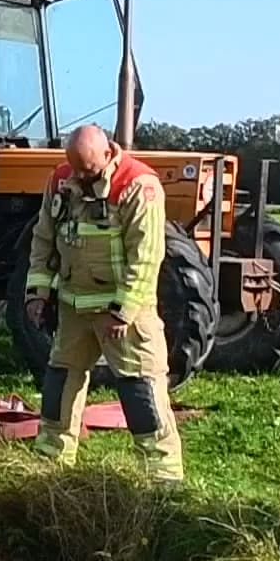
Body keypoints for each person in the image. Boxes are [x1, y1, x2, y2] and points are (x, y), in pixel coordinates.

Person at [23, 123, 184, 485]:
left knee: (141, 391)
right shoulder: (60, 180)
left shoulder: (138, 186)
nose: (80, 177)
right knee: (59, 385)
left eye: (88, 169)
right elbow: (43, 239)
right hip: (73, 308)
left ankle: (163, 480)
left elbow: (146, 258)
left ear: (108, 152)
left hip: (124, 315)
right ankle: (50, 468)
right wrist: (37, 292)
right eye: (75, 168)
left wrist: (122, 312)